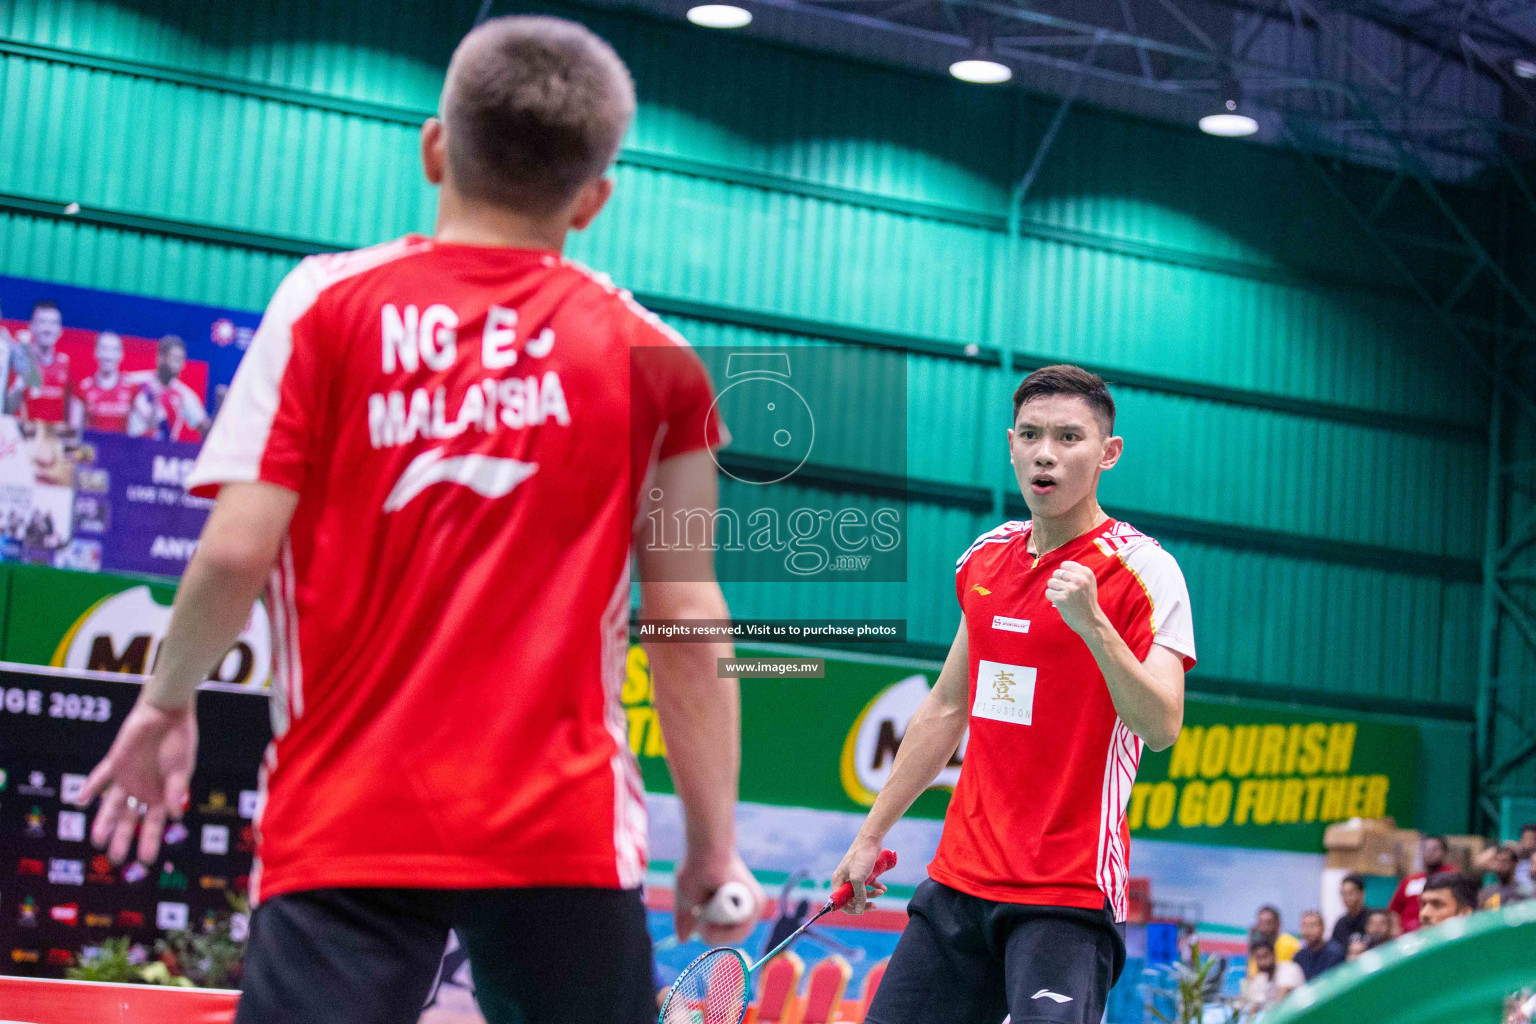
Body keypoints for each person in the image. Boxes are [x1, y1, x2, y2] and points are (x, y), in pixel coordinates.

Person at [74, 16, 763, 1024]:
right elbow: (688, 627)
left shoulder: (324, 303)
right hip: (560, 833)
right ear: (594, 199)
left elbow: (233, 549)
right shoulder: (659, 363)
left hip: (343, 823)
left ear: (435, 146)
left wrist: (165, 702)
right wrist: (710, 841)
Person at [831, 365, 1197, 1024]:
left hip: (1066, 893)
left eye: (1068, 437)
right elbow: (946, 707)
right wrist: (870, 835)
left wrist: (1095, 627)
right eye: (1030, 435)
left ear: (1108, 454)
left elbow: (1162, 723)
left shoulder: (1145, 570)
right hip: (960, 880)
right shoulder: (984, 560)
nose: (1046, 454)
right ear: (1010, 444)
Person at [127, 335, 209, 441]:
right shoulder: (136, 382)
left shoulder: (184, 394)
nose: (178, 365)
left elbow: (204, 426)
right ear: (160, 358)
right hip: (130, 450)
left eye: (181, 360)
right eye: (175, 359)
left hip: (163, 453)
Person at [17, 300, 71, 424]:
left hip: (55, 440)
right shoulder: (19, 361)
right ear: (31, 327)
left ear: (60, 330)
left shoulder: (65, 365)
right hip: (24, 439)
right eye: (42, 322)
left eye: (53, 323)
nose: (48, 329)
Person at [72, 331, 137, 433]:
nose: (108, 355)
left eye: (113, 350)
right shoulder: (83, 388)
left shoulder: (131, 387)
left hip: (122, 448)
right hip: (91, 448)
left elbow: (150, 423)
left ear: (121, 354)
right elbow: (74, 430)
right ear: (95, 352)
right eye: (104, 349)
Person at [1389, 834, 1449, 933]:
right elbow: (1395, 910)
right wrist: (1395, 929)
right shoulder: (1410, 880)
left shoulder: (1452, 877)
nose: (1430, 853)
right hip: (1406, 937)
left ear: (1444, 852)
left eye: (1435, 849)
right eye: (1426, 849)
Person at [1238, 940, 1304, 1015]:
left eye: (1265, 956)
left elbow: (1281, 998)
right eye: (1258, 958)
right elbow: (1249, 1006)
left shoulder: (1288, 968)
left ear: (1273, 955)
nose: (1262, 961)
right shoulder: (1261, 978)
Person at [1291, 910, 1344, 981]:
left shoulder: (1335, 952)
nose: (1308, 930)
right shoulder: (1299, 957)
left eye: (1313, 925)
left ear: (1323, 927)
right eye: (1304, 925)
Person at [1246, 905, 1299, 975]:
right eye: (1261, 923)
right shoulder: (1256, 948)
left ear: (1278, 924)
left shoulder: (1290, 944)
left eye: (1268, 923)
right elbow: (1252, 976)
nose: (1264, 928)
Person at [1479, 845, 1525, 910]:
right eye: (1498, 862)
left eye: (1504, 862)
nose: (1499, 866)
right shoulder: (1486, 893)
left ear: (1514, 864)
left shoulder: (1522, 892)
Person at [1331, 873, 1370, 948]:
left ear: (1362, 893)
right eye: (1343, 894)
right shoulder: (1340, 924)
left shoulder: (1372, 918)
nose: (1347, 898)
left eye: (1350, 893)